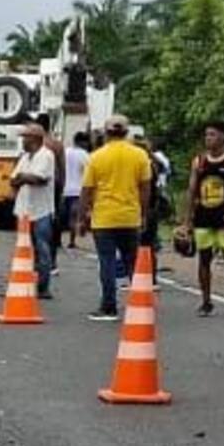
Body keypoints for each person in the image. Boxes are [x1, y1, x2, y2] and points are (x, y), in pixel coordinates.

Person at [78, 114, 152, 321]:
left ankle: (108, 305)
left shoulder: (96, 157)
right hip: (130, 216)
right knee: (132, 262)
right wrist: (143, 213)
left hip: (104, 218)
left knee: (107, 262)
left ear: (106, 133)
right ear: (126, 132)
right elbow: (145, 189)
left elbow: (87, 190)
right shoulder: (139, 155)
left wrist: (81, 217)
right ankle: (141, 302)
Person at [179, 121, 224, 318]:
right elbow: (191, 191)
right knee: (204, 258)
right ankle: (206, 301)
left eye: (213, 135)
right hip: (203, 217)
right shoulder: (199, 161)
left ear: (223, 137)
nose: (208, 138)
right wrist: (186, 221)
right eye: (207, 135)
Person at [9, 123, 56, 300]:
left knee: (42, 248)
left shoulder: (46, 155)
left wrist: (23, 178)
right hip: (24, 209)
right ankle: (26, 280)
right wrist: (23, 179)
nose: (23, 141)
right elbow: (14, 179)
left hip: (41, 209)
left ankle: (43, 287)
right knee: (24, 248)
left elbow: (39, 179)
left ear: (35, 139)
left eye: (26, 137)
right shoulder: (25, 157)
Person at [36, 114, 66, 274]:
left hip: (36, 188)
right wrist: (61, 190)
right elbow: (62, 170)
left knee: (35, 223)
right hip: (53, 187)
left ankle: (37, 260)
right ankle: (52, 261)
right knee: (53, 225)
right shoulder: (56, 144)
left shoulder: (34, 143)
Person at [63, 132, 90, 249]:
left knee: (62, 216)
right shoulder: (85, 155)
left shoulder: (65, 152)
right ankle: (71, 241)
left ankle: (57, 240)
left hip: (64, 190)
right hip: (77, 191)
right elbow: (87, 173)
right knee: (74, 217)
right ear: (83, 142)